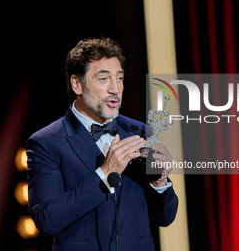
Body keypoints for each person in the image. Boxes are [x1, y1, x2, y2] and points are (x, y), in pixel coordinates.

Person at [26, 37, 178, 251]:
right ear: (77, 84)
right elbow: (46, 219)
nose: (115, 89)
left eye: (120, 78)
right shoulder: (46, 142)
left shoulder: (140, 132)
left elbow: (165, 217)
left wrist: (160, 183)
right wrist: (105, 173)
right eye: (104, 79)